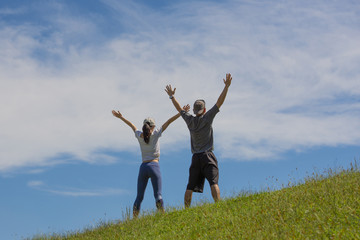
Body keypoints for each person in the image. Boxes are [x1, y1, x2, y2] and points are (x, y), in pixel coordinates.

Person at [164, 73, 232, 208]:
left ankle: (186, 210)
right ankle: (219, 206)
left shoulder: (189, 120)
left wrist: (172, 96)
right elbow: (219, 102)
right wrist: (226, 87)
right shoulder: (208, 118)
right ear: (204, 109)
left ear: (194, 110)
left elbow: (179, 108)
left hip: (195, 157)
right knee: (214, 183)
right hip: (207, 155)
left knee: (190, 186)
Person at [112, 106, 189, 218]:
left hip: (143, 167)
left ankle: (134, 219)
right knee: (158, 195)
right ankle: (162, 216)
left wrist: (121, 117)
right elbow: (169, 122)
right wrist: (181, 112)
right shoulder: (156, 133)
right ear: (152, 127)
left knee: (139, 196)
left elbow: (132, 125)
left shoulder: (139, 135)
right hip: (154, 166)